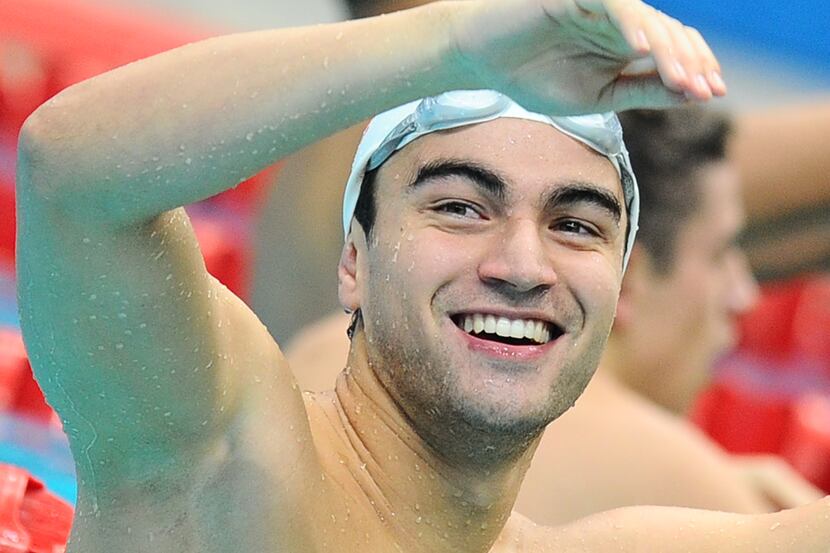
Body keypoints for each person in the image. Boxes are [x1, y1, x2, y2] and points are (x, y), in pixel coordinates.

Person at [15, 2, 830, 553]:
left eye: (575, 224)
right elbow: (71, 178)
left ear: (617, 288)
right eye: (462, 208)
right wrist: (458, 40)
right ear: (354, 262)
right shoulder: (222, 459)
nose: (521, 265)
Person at [284, 106, 825, 522]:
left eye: (570, 225)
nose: (744, 294)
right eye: (720, 253)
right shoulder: (683, 495)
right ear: (629, 275)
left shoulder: (314, 353)